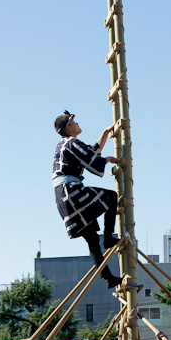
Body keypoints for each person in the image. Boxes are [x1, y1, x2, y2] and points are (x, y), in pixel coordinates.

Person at [53, 110, 121, 289]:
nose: (78, 124)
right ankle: (108, 237)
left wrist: (106, 133)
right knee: (111, 197)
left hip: (64, 196)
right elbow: (94, 160)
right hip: (71, 191)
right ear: (68, 127)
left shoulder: (65, 144)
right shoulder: (71, 142)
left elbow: (91, 153)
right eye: (74, 122)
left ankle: (109, 278)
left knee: (91, 237)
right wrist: (107, 159)